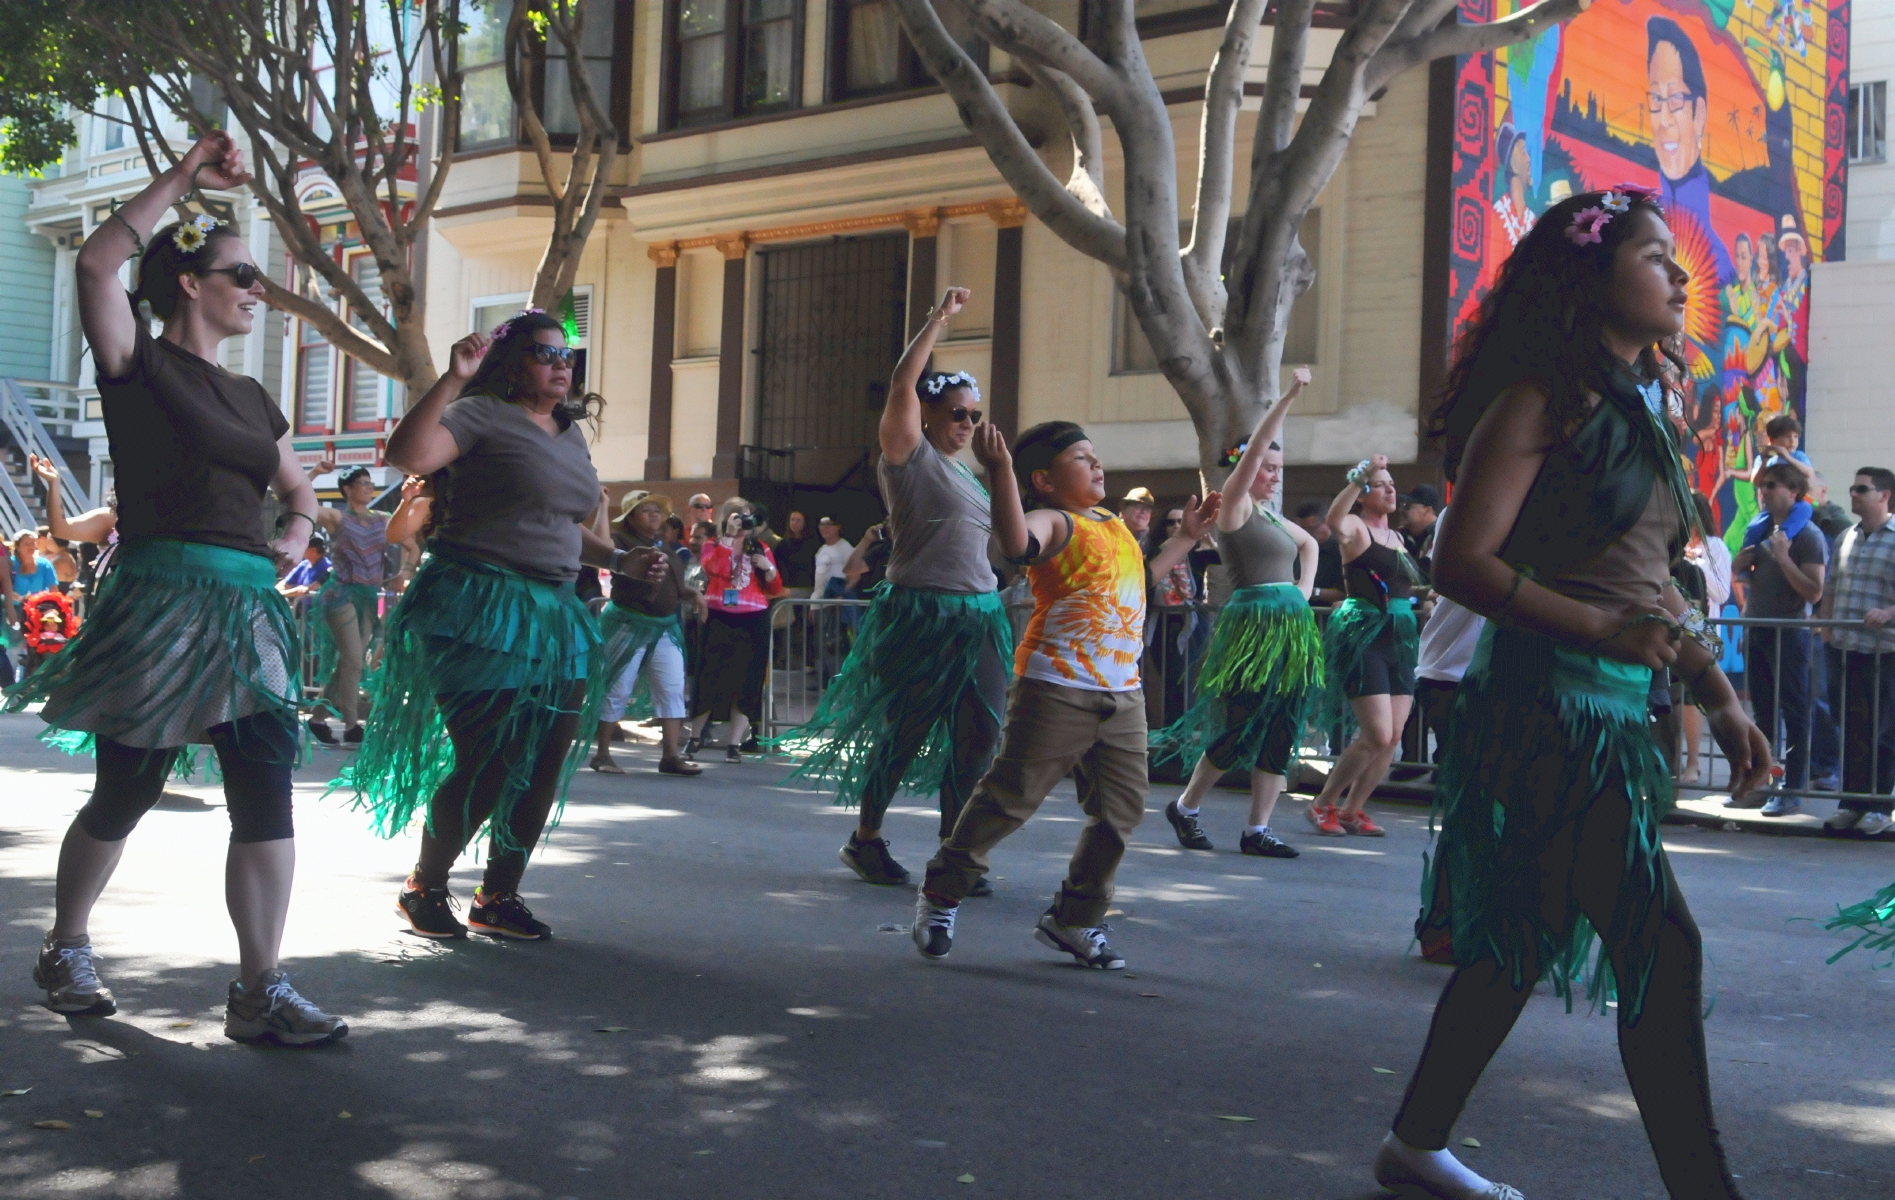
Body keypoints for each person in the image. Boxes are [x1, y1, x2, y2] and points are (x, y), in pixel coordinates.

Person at [1380, 186, 1772, 1200]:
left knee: (1515, 941)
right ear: (1586, 277)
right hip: (1543, 711)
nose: (1678, 275)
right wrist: (1605, 632)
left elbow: (1647, 586)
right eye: (1652, 256)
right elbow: (1460, 563)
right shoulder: (1536, 402)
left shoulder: (1644, 411)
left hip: (1607, 712)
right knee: (1662, 950)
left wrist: (1717, 696)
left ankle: (1413, 1145)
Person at [6, 131, 346, 1043]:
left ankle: (260, 988)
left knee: (266, 788)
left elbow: (298, 484)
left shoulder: (252, 398)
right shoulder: (138, 364)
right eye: (242, 275)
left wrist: (300, 531)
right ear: (189, 283)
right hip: (163, 597)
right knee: (128, 787)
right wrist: (186, 176)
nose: (255, 292)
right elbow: (98, 259)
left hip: (249, 609)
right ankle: (67, 944)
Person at [911, 420, 1219, 968]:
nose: (1098, 465)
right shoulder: (1052, 520)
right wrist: (1000, 470)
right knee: (1009, 798)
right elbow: (1013, 543)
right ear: (1045, 480)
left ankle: (1075, 919)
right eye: (1082, 458)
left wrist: (1187, 538)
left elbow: (1142, 582)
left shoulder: (1112, 524)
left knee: (1121, 815)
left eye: (1096, 456)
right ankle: (941, 894)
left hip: (1123, 696)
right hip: (1055, 688)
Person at [348, 308, 614, 943]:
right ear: (512, 362)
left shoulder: (568, 433)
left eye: (567, 355)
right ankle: (424, 889)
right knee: (488, 755)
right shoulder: (480, 414)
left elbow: (560, 522)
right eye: (545, 354)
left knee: (545, 757)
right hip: (477, 603)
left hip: (555, 613)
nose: (561, 365)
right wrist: (452, 379)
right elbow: (407, 454)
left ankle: (498, 896)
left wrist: (624, 559)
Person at [774, 288, 1015, 887]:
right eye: (956, 413)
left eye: (973, 416)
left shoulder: (970, 475)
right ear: (927, 416)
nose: (966, 424)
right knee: (905, 730)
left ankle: (954, 852)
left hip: (981, 615)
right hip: (920, 612)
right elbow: (901, 386)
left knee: (980, 731)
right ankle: (866, 838)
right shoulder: (906, 455)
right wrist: (938, 321)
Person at [1153, 367, 1321, 858]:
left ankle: (1257, 830)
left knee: (1283, 724)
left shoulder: (1271, 515)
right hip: (1255, 628)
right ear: (1248, 466)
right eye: (1267, 468)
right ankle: (1186, 806)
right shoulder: (1233, 506)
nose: (1274, 475)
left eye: (1278, 469)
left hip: (1291, 628)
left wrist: (1302, 593)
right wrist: (1290, 394)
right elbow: (1255, 449)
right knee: (1242, 722)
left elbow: (1309, 543)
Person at [1305, 454, 1422, 838]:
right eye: (1381, 484)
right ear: (1363, 494)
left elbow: (1399, 587)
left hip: (1400, 637)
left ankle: (1354, 809)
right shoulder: (1355, 526)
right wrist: (1360, 473)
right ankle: (1324, 804)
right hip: (1365, 635)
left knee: (1393, 735)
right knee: (1375, 733)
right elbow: (1334, 520)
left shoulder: (1399, 537)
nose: (1391, 489)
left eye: (1392, 484)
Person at [1727, 460, 1826, 815]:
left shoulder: (1808, 536)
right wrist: (1737, 573)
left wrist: (1784, 558)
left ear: (1793, 492)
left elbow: (1814, 593)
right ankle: (1764, 783)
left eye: (1771, 486)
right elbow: (1753, 583)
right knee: (1764, 713)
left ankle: (1793, 788)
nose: (1763, 493)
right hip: (1759, 631)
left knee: (1795, 712)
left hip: (1790, 635)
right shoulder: (1760, 529)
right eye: (1762, 486)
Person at [589, 491, 703, 777]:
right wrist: (603, 506)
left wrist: (695, 594)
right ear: (630, 517)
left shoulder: (664, 544)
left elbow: (673, 586)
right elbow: (600, 549)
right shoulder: (621, 541)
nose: (654, 514)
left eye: (657, 509)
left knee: (672, 688)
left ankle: (670, 756)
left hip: (664, 627)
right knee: (617, 688)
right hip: (628, 624)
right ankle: (602, 754)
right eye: (645, 510)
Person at [1819, 468, 1895, 836]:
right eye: (1852, 487)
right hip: (1846, 649)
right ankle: (1852, 803)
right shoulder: (1845, 537)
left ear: (1885, 495)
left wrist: (1888, 613)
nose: (1853, 494)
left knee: (1883, 731)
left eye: (1862, 489)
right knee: (1851, 729)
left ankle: (1880, 806)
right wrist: (1825, 626)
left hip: (1885, 651)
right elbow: (1831, 585)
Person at [685, 497, 781, 763]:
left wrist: (769, 569)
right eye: (738, 516)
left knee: (747, 679)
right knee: (708, 675)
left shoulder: (760, 548)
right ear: (726, 518)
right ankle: (695, 737)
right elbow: (715, 568)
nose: (744, 521)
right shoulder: (712, 545)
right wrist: (728, 538)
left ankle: (734, 743)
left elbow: (775, 588)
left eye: (747, 516)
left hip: (754, 618)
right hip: (719, 616)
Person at [304, 466, 391, 746]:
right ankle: (352, 726)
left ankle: (317, 719)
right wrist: (314, 472)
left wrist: (408, 567)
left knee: (347, 663)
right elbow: (301, 502)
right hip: (340, 594)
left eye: (370, 483)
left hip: (367, 597)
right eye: (362, 483)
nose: (368, 487)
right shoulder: (337, 517)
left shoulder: (382, 519)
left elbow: (411, 542)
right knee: (354, 660)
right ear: (347, 489)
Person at [1679, 492, 1732, 785]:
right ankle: (1673, 760)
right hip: (1675, 627)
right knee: (1673, 700)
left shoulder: (1716, 547)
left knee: (1694, 699)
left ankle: (1694, 763)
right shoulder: (1673, 545)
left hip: (1702, 631)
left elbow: (1722, 593)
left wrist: (1695, 565)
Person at [812, 516, 854, 599]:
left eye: (829, 524)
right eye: (822, 525)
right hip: (819, 601)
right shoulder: (821, 550)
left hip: (836, 602)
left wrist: (841, 593)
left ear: (837, 527)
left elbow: (855, 576)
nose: (825, 528)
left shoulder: (845, 547)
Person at [1118, 486, 1156, 551]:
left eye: (1148, 509)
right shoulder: (1110, 534)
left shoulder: (1155, 540)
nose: (1143, 511)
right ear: (1124, 510)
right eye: (1138, 506)